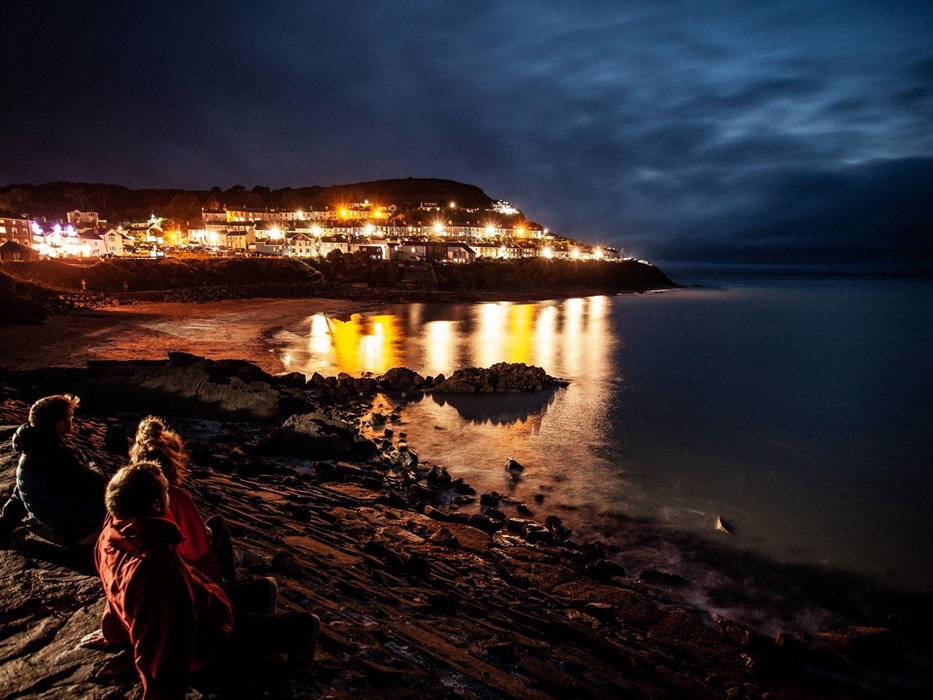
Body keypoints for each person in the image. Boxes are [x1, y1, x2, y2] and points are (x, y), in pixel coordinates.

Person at [90, 462, 320, 700]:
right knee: (247, 631)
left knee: (244, 624)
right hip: (206, 632)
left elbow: (114, 591)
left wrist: (113, 633)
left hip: (201, 603)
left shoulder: (110, 535)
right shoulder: (157, 560)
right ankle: (299, 622)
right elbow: (170, 638)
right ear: (158, 505)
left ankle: (265, 594)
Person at [130, 416, 234, 582]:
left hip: (146, 565)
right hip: (181, 574)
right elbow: (198, 551)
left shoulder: (129, 490)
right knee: (217, 525)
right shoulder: (175, 497)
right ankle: (226, 588)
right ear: (171, 463)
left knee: (215, 525)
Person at [0, 394, 105, 545]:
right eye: (70, 417)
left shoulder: (34, 448)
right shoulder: (55, 457)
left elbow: (19, 496)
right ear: (60, 424)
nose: (72, 420)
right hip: (78, 530)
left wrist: (4, 525)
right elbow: (94, 486)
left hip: (57, 520)